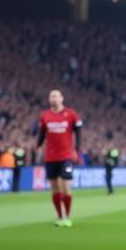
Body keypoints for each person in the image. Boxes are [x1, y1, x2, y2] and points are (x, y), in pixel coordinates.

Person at [35, 90, 82, 227]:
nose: (53, 98)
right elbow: (42, 133)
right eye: (51, 96)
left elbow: (78, 132)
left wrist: (77, 149)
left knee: (66, 186)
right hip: (50, 157)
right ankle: (59, 216)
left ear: (62, 98)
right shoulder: (45, 116)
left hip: (66, 156)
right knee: (55, 188)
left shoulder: (71, 114)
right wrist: (38, 146)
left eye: (56, 96)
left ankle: (67, 216)